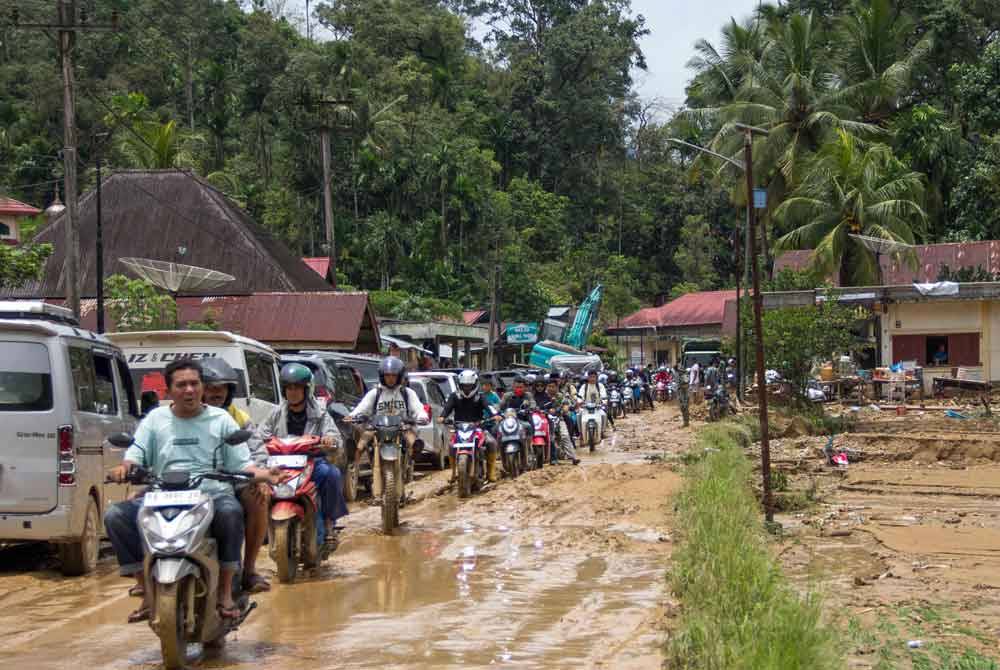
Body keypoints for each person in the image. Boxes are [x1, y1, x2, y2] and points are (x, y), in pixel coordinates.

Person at [104, 360, 280, 624]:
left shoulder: (222, 419)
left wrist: (267, 474)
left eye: (194, 384)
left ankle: (224, 590)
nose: (189, 390)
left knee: (231, 512)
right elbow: (136, 454)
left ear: (201, 388)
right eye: (181, 385)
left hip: (211, 494)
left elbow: (242, 464)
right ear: (168, 391)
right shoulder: (155, 419)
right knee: (115, 515)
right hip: (161, 494)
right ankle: (145, 590)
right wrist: (124, 468)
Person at [256, 363, 348, 548]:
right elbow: (259, 436)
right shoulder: (276, 413)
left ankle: (329, 523)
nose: (293, 392)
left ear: (307, 389)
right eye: (289, 388)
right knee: (256, 485)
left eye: (297, 387)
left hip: (311, 462)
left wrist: (329, 440)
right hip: (280, 465)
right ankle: (262, 527)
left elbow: (334, 436)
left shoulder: (320, 413)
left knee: (332, 475)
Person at [201, 358, 271, 593]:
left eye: (221, 388)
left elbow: (257, 450)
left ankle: (249, 570)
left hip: (233, 479)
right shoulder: (180, 415)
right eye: (210, 387)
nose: (216, 393)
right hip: (192, 481)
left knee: (259, 497)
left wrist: (260, 478)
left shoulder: (238, 417)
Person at [346, 356, 429, 499]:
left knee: (414, 442)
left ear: (400, 376)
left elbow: (418, 408)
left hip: (402, 428)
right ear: (382, 376)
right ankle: (355, 471)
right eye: (387, 376)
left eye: (394, 376)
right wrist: (353, 416)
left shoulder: (407, 393)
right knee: (359, 447)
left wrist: (422, 417)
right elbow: (362, 408)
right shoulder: (375, 393)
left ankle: (410, 462)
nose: (390, 379)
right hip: (377, 430)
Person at [439, 370, 500, 481]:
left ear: (475, 385)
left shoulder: (480, 397)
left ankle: (490, 473)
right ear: (460, 385)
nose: (467, 388)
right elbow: (447, 408)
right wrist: (442, 416)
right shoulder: (455, 396)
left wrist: (495, 414)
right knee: (451, 446)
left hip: (477, 428)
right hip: (459, 429)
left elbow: (489, 407)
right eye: (464, 386)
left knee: (491, 442)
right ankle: (453, 473)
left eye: (469, 386)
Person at [576, 369, 609, 438]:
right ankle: (581, 433)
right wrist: (579, 402)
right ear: (588, 377)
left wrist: (604, 402)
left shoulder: (600, 386)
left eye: (594, 377)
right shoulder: (584, 386)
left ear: (597, 377)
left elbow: (604, 395)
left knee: (603, 415)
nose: (592, 379)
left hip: (597, 407)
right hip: (585, 407)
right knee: (578, 415)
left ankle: (602, 432)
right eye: (590, 377)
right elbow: (580, 396)